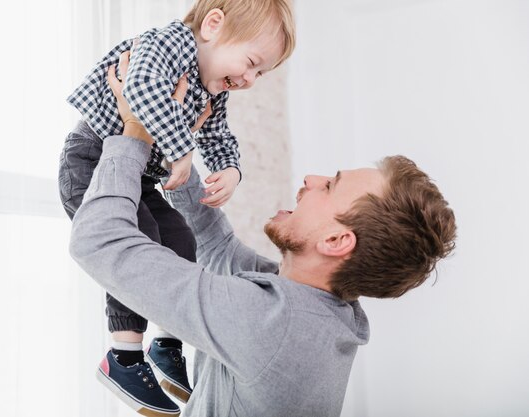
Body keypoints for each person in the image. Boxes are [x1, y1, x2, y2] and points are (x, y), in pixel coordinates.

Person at [68, 62, 457, 417]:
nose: (311, 179)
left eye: (330, 185)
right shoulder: (318, 308)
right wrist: (175, 143)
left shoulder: (273, 323)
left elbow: (99, 240)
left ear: (337, 241)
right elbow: (216, 244)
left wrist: (133, 132)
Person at [58, 0, 295, 414]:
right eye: (252, 63)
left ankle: (166, 343)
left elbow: (217, 132)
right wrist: (182, 148)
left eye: (260, 73)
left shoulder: (213, 85)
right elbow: (140, 88)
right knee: (141, 243)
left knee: (182, 240)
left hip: (141, 174)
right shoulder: (165, 44)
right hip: (94, 159)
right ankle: (124, 357)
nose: (250, 80)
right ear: (214, 25)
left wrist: (230, 170)